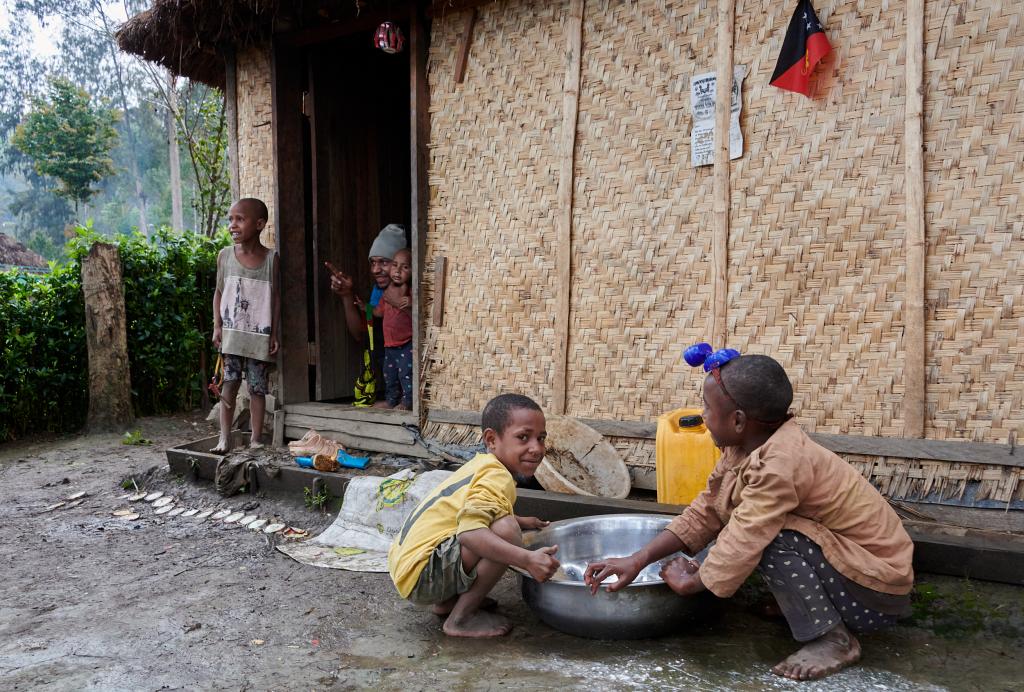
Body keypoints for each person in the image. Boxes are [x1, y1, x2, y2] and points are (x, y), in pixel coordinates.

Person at [584, 354, 914, 681]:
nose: (702, 415)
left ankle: (833, 639)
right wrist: (638, 558)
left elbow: (746, 534)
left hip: (877, 592)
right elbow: (709, 508)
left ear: (738, 421)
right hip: (852, 573)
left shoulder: (782, 464)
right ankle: (804, 608)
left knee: (769, 536)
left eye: (708, 408)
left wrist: (696, 581)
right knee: (751, 523)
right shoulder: (744, 448)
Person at [387, 394, 560, 638]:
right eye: (523, 437)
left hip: (410, 568)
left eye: (541, 438)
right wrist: (527, 559)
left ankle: (447, 602)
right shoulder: (497, 477)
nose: (536, 448)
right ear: (491, 439)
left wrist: (523, 520)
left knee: (506, 524)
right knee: (506, 531)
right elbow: (470, 533)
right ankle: (460, 619)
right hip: (422, 575)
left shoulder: (482, 464)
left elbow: (471, 509)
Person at [211, 198, 280, 453]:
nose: (232, 225)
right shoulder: (225, 256)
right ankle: (224, 438)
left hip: (258, 337)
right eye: (230, 219)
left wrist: (273, 332)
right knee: (229, 385)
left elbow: (275, 298)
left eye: (240, 219)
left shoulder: (272, 259)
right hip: (231, 336)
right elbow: (219, 292)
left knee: (257, 389)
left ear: (260, 224)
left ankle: (255, 440)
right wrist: (217, 326)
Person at [326, 224, 406, 405]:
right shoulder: (378, 291)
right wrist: (347, 295)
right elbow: (361, 333)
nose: (375, 270)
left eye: (384, 262)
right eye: (373, 262)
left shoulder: (409, 291)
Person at [374, 247, 413, 410]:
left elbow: (418, 315)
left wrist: (411, 304)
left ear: (412, 271)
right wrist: (365, 308)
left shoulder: (411, 293)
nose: (397, 271)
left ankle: (407, 402)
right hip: (389, 345)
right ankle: (391, 401)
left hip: (406, 344)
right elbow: (378, 312)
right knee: (389, 376)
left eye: (404, 267)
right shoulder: (386, 292)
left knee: (406, 374)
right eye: (395, 265)